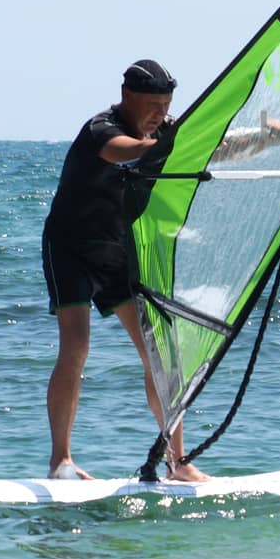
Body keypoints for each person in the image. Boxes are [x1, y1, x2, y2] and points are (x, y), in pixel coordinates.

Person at [41, 59, 211, 482]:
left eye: (166, 105)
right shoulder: (101, 129)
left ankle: (178, 463)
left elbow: (224, 141)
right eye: (152, 105)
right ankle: (60, 460)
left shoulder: (161, 130)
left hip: (117, 254)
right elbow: (123, 152)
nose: (159, 114)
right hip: (69, 248)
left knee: (159, 357)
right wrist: (169, 145)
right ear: (127, 97)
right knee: (76, 347)